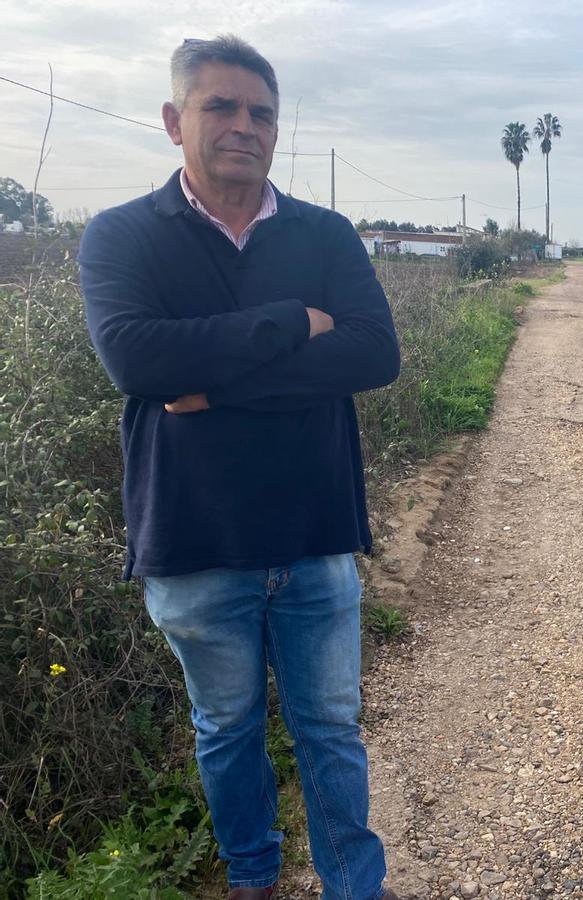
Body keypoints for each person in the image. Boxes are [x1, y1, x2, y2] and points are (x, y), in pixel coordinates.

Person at [79, 35, 401, 900]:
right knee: (225, 728)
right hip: (192, 536)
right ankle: (254, 879)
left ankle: (352, 888)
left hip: (315, 533)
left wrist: (217, 390)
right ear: (173, 119)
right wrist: (297, 320)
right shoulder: (120, 237)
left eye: (260, 112)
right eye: (219, 106)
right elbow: (139, 364)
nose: (242, 126)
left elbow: (375, 355)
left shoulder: (326, 232)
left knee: (331, 728)